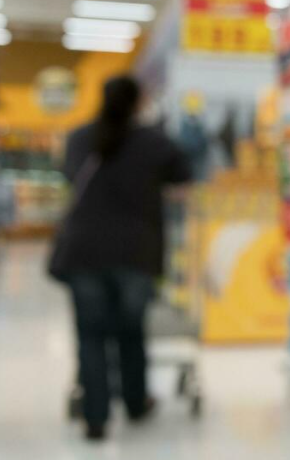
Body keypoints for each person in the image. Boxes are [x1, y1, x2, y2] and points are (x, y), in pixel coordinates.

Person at [48, 75, 192, 442]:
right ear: (139, 101)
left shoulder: (79, 138)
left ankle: (95, 417)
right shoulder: (154, 142)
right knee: (131, 330)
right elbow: (184, 177)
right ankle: (135, 401)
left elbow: (69, 178)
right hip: (136, 252)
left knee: (90, 334)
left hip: (84, 251)